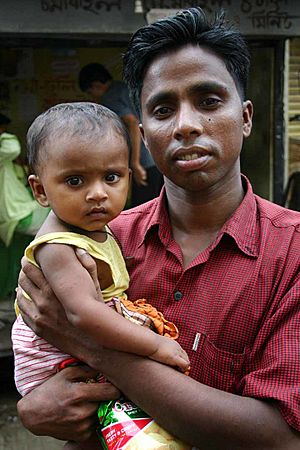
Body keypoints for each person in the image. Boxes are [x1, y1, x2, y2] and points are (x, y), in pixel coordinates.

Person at [16, 7, 300, 450]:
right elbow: (41, 356)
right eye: (164, 109)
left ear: (245, 117)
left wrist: (96, 347)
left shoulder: (292, 252)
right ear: (144, 136)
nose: (186, 125)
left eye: (208, 101)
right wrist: (33, 406)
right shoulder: (98, 242)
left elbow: (280, 438)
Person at [11, 101, 189, 398]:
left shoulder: (93, 227)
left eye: (111, 177)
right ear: (40, 190)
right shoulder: (59, 246)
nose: (97, 194)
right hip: (52, 363)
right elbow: (84, 314)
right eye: (75, 181)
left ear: (128, 178)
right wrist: (156, 345)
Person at [78, 62, 163, 207]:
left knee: (143, 207)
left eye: (90, 92)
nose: (93, 97)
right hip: (157, 154)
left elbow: (132, 123)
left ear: (96, 85)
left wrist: (135, 163)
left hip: (145, 160)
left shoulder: (109, 97)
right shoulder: (123, 88)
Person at [0, 113, 49, 247]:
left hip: (19, 212)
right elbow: (12, 148)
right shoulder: (4, 153)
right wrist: (3, 135)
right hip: (17, 213)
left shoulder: (5, 161)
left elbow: (20, 175)